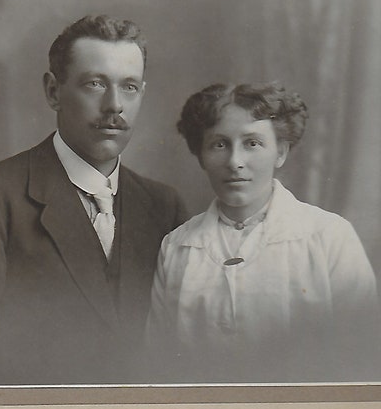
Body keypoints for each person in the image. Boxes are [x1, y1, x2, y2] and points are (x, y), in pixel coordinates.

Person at [0, 14, 187, 386]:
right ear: (53, 91)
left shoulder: (164, 207)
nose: (114, 105)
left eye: (129, 87)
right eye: (94, 84)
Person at [146, 82, 379, 383]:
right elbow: (158, 360)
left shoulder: (328, 236)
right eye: (219, 144)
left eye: (252, 143)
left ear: (279, 152)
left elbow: (362, 356)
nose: (235, 162)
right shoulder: (177, 247)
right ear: (201, 155)